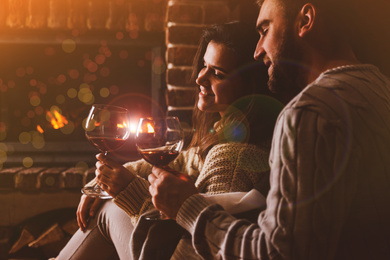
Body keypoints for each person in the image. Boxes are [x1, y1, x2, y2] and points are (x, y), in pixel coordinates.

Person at [148, 0, 390, 259]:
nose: (257, 51)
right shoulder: (379, 88)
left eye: (265, 30)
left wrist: (189, 209)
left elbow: (276, 253)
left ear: (305, 20)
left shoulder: (309, 113)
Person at [57, 21, 283, 259]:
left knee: (108, 207)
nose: (200, 78)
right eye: (204, 66)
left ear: (250, 87)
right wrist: (102, 182)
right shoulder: (226, 135)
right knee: (108, 204)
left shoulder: (233, 158)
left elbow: (194, 249)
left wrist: (127, 191)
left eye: (217, 74)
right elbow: (180, 162)